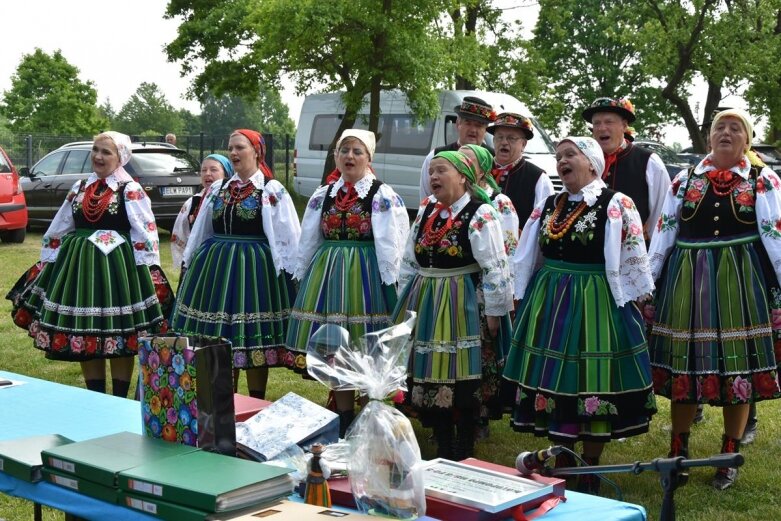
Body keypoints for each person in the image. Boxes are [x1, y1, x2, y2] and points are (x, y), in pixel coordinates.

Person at [503, 137, 656, 495]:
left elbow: (632, 250)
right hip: (551, 297)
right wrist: (520, 291)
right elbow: (529, 251)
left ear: (592, 163)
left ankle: (589, 464)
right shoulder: (550, 204)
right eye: (558, 157)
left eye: (570, 155)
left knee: (591, 378)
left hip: (594, 299)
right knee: (558, 378)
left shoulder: (616, 203)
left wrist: (635, 295)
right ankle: (563, 458)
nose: (562, 161)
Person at [648, 108, 781, 490]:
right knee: (684, 368)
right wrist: (651, 279)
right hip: (687, 280)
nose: (725, 132)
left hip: (739, 282)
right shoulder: (684, 178)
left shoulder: (762, 179)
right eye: (719, 127)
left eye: (734, 127)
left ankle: (728, 454)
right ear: (708, 138)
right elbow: (665, 230)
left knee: (738, 368)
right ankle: (678, 450)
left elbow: (775, 235)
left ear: (747, 139)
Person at [6, 131, 174, 397]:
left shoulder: (130, 190)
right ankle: (96, 396)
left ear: (121, 157)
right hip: (81, 268)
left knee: (121, 332)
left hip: (118, 270)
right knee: (85, 333)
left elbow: (145, 230)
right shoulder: (81, 187)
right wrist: (49, 257)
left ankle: (118, 398)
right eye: (95, 150)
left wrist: (148, 268)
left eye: (106, 152)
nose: (98, 156)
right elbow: (62, 223)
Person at [287, 129, 409, 435]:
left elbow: (393, 242)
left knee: (367, 347)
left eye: (357, 151)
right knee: (336, 349)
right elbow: (309, 239)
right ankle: (343, 417)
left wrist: (392, 283)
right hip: (328, 275)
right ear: (336, 157)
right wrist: (302, 275)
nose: (350, 157)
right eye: (344, 151)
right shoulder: (323, 194)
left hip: (367, 277)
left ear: (369, 158)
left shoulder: (382, 194)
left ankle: (372, 417)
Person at [395, 150, 513, 460]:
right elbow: (409, 257)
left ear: (463, 176)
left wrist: (495, 312)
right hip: (427, 299)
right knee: (430, 371)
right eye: (431, 171)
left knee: (464, 374)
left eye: (441, 170)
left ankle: (465, 444)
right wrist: (403, 301)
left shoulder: (480, 213)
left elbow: (495, 265)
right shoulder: (427, 210)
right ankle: (442, 439)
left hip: (464, 302)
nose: (433, 177)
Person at [170, 129, 300, 400]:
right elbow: (201, 230)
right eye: (231, 148)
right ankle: (223, 400)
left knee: (251, 336)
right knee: (218, 337)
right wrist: (191, 260)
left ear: (257, 152)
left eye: (240, 147)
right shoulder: (218, 189)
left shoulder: (271, 189)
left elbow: (289, 236)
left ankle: (255, 401)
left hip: (254, 271)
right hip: (216, 269)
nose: (233, 153)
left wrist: (290, 274)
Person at [582, 96, 669, 242]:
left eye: (609, 122)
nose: (602, 128)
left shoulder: (649, 161)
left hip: (634, 251)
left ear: (624, 125)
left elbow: (662, 213)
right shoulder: (584, 162)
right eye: (596, 123)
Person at [486, 112, 555, 230]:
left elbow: (545, 221)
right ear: (493, 140)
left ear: (523, 144)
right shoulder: (481, 170)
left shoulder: (538, 178)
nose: (504, 142)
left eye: (511, 138)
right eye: (499, 137)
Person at [419, 96, 495, 201]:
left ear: (485, 129)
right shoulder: (436, 155)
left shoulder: (494, 159)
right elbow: (425, 198)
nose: (473, 130)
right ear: (458, 123)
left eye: (478, 125)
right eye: (468, 123)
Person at [170, 154, 233, 271]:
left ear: (227, 174)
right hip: (196, 260)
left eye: (213, 169)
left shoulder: (232, 202)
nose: (207, 173)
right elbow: (181, 233)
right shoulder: (192, 202)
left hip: (223, 259)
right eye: (203, 170)